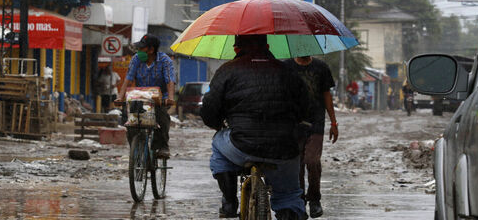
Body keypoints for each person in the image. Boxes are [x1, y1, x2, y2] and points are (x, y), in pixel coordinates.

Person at [201, 35, 310, 220]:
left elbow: (209, 109)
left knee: (218, 145)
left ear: (236, 49)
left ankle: (229, 202)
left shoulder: (227, 70)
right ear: (267, 46)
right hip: (283, 149)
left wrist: (217, 124)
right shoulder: (288, 72)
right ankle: (288, 211)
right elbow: (304, 109)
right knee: (289, 196)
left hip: (241, 146)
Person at [284, 56, 338, 219]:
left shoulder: (321, 67)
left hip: (316, 123)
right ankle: (299, 201)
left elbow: (327, 95)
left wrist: (333, 122)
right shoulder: (286, 67)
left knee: (312, 161)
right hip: (293, 123)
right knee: (297, 165)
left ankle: (314, 199)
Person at [116, 34, 175, 159]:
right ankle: (135, 146)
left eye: (142, 48)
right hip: (139, 96)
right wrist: (120, 97)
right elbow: (128, 79)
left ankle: (162, 146)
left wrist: (170, 97)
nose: (139, 51)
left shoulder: (165, 61)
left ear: (151, 50)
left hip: (159, 98)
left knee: (162, 117)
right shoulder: (136, 59)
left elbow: (170, 80)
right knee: (129, 120)